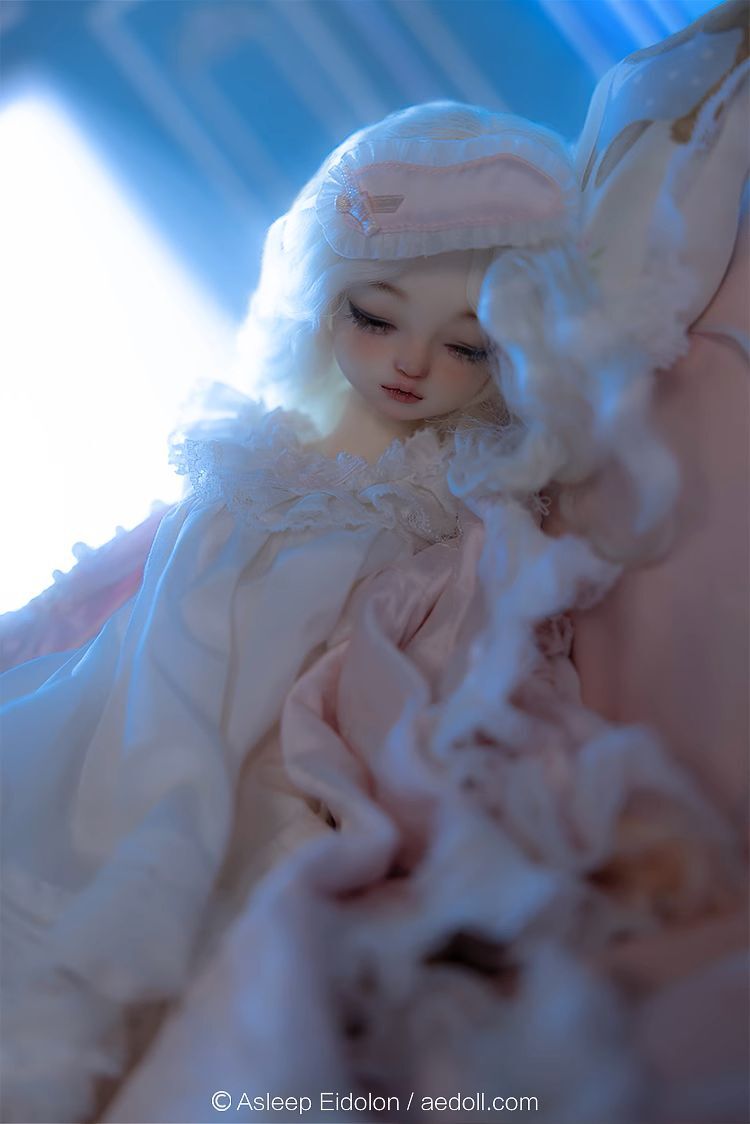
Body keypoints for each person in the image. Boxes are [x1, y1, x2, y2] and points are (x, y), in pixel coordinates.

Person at [2, 5, 748, 1119]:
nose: (409, 366)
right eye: (373, 316)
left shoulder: (457, 491)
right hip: (139, 722)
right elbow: (124, 593)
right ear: (326, 296)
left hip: (295, 744)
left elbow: (471, 639)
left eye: (465, 347)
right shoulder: (249, 447)